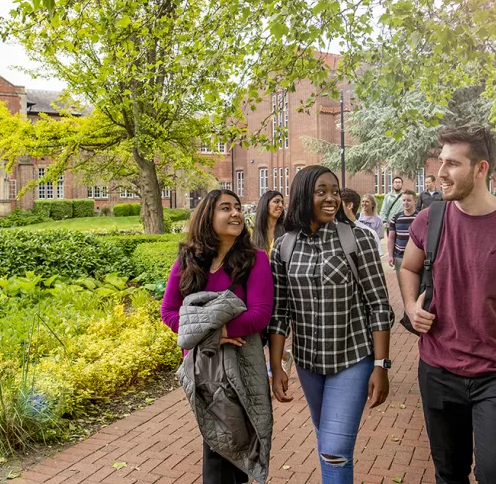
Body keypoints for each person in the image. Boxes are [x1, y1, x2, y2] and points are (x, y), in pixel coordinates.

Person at [399, 126, 496, 483]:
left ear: (481, 168)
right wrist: (411, 306)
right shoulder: (430, 220)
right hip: (438, 372)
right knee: (449, 474)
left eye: (453, 164)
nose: (441, 172)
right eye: (440, 162)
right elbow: (408, 266)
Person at [269, 165, 392, 484]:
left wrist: (381, 365)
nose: (330, 198)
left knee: (335, 449)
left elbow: (378, 304)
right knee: (326, 441)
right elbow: (280, 312)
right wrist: (277, 366)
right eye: (320, 191)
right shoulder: (283, 246)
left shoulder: (358, 238)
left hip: (352, 358)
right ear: (302, 195)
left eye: (334, 191)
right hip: (309, 363)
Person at [160, 189, 274, 484]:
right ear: (208, 216)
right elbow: (170, 312)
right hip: (201, 369)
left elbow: (260, 314)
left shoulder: (255, 260)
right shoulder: (189, 260)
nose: (236, 213)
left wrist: (219, 330)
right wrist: (212, 336)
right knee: (219, 443)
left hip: (239, 366)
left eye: (237, 207)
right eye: (226, 208)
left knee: (232, 443)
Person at [252, 189, 294, 377]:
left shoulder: (286, 231)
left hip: (281, 288)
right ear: (265, 204)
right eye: (276, 201)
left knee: (276, 326)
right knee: (263, 331)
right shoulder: (253, 234)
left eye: (282, 202)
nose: (280, 205)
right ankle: (284, 355)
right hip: (260, 290)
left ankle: (272, 368)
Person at [340, 188, 382, 255]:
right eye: (363, 201)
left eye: (338, 204)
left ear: (350, 205)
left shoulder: (370, 233)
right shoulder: (329, 231)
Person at [388, 190, 418, 274]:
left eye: (409, 200)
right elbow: (391, 238)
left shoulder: (420, 217)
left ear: (415, 201)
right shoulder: (396, 217)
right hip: (399, 257)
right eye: (404, 200)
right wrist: (390, 256)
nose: (406, 203)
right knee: (402, 285)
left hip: (416, 257)